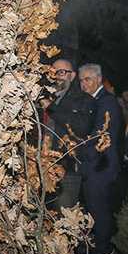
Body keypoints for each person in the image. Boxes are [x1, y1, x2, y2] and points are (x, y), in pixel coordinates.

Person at [77, 64, 122, 254]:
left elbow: (102, 135)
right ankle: (97, 249)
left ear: (98, 79)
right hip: (94, 165)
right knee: (93, 209)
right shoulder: (93, 101)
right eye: (81, 80)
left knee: (100, 210)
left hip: (101, 166)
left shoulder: (107, 101)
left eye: (87, 79)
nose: (83, 83)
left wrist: (82, 154)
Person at [42, 58, 94, 209]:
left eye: (62, 72)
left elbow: (80, 128)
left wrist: (52, 108)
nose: (57, 76)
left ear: (72, 76)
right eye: (53, 72)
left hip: (67, 171)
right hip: (40, 167)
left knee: (62, 220)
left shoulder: (84, 100)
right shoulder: (41, 96)